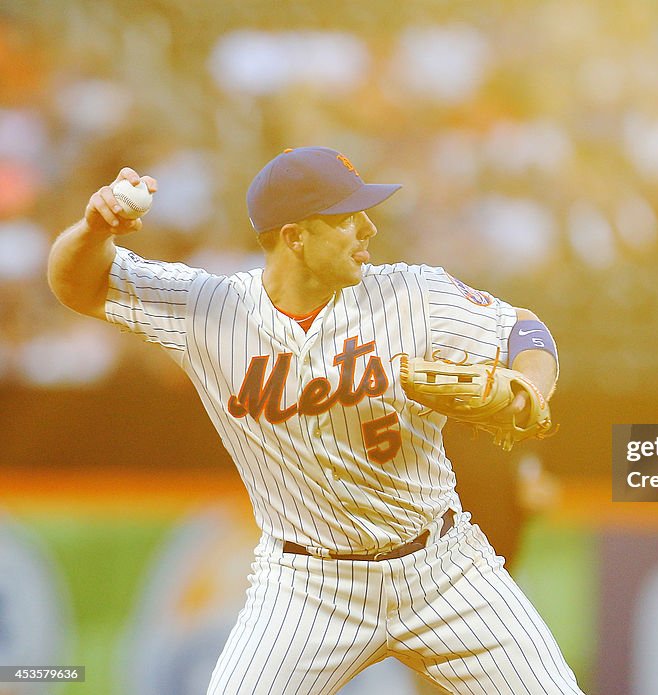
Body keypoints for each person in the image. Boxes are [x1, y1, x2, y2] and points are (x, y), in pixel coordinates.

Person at [47, 146, 585, 695]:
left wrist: (529, 388)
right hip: (308, 588)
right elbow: (78, 286)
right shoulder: (211, 310)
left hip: (443, 570)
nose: (369, 228)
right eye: (347, 218)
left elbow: (522, 327)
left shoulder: (414, 293)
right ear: (295, 237)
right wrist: (93, 229)